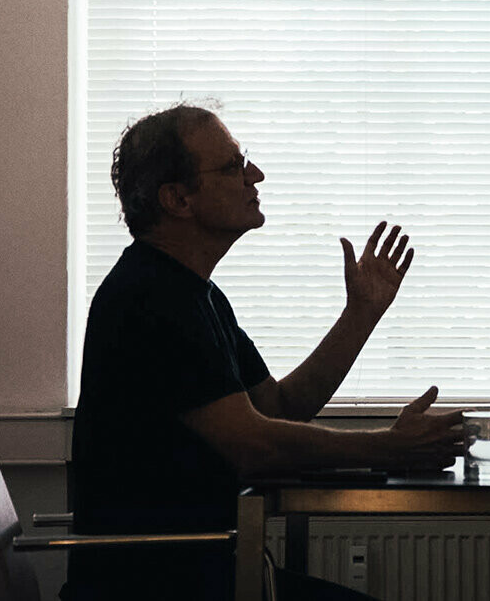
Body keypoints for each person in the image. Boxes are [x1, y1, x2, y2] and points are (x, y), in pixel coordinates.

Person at [67, 104, 467, 601]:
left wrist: (360, 315)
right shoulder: (149, 298)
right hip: (159, 585)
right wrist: (390, 446)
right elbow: (254, 447)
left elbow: (275, 410)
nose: (255, 175)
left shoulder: (197, 295)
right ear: (177, 199)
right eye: (232, 166)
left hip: (209, 574)